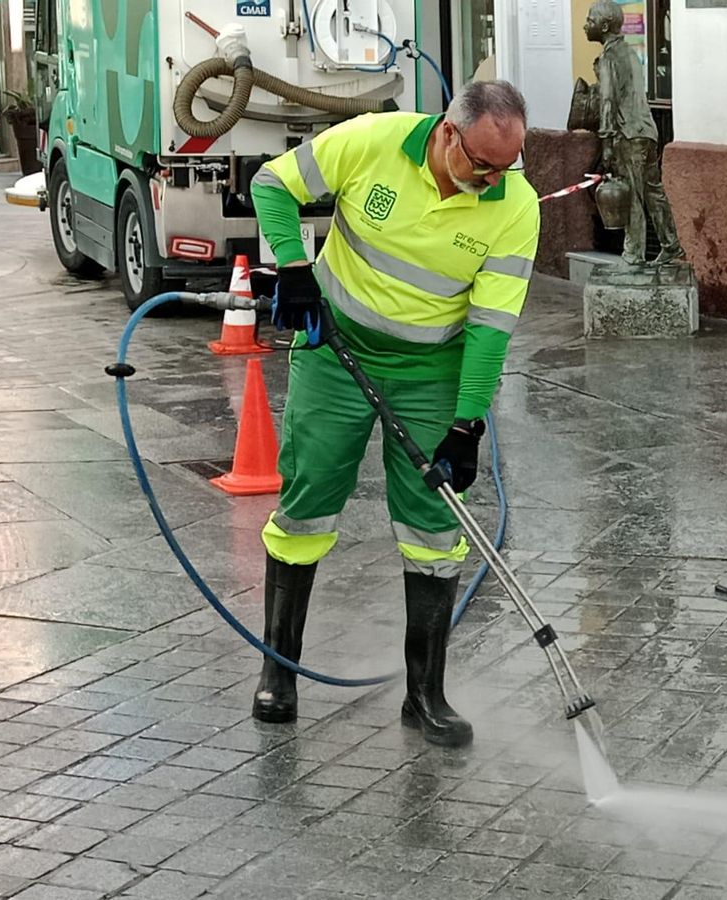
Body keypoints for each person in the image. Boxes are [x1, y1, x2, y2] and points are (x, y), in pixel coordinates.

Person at [247, 80, 540, 746]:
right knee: (307, 503)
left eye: (508, 167)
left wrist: (468, 424)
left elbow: (491, 326)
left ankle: (425, 694)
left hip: (429, 371)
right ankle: (279, 671)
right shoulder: (373, 142)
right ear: (446, 132)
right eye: (484, 164)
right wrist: (294, 265)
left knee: (435, 524)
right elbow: (272, 184)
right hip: (335, 353)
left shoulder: (513, 206)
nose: (495, 179)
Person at [584, 0, 684, 267]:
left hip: (627, 133)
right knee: (653, 192)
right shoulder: (629, 52)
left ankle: (633, 254)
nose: (586, 26)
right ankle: (670, 245)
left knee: (633, 196)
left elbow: (608, 101)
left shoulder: (609, 57)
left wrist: (606, 141)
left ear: (604, 26)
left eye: (590, 21)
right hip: (647, 131)